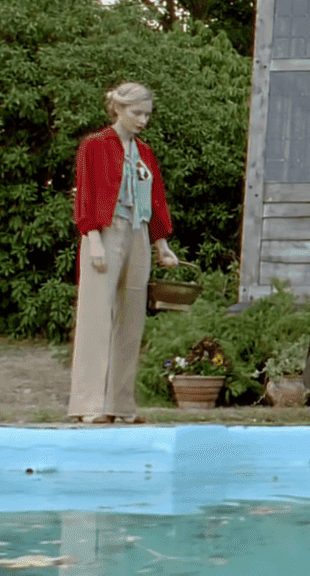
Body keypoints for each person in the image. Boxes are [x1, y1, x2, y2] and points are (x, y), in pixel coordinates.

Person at [69, 82, 179, 424]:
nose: (143, 120)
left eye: (147, 114)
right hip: (105, 232)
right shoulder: (95, 145)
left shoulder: (144, 152)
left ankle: (121, 404)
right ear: (118, 109)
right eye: (136, 113)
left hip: (138, 232)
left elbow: (154, 198)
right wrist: (93, 239)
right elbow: (86, 194)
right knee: (96, 317)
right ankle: (89, 405)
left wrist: (161, 244)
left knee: (131, 320)